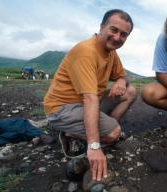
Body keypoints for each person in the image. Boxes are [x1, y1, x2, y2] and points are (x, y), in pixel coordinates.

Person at [43, 9, 137, 181]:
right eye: (114, 30)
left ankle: (102, 129)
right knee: (114, 133)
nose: (117, 37)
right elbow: (90, 98)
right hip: (62, 108)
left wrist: (121, 81)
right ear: (101, 27)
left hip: (87, 104)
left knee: (130, 91)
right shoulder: (86, 51)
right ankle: (74, 135)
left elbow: (122, 75)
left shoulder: (111, 52)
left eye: (123, 34)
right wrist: (94, 146)